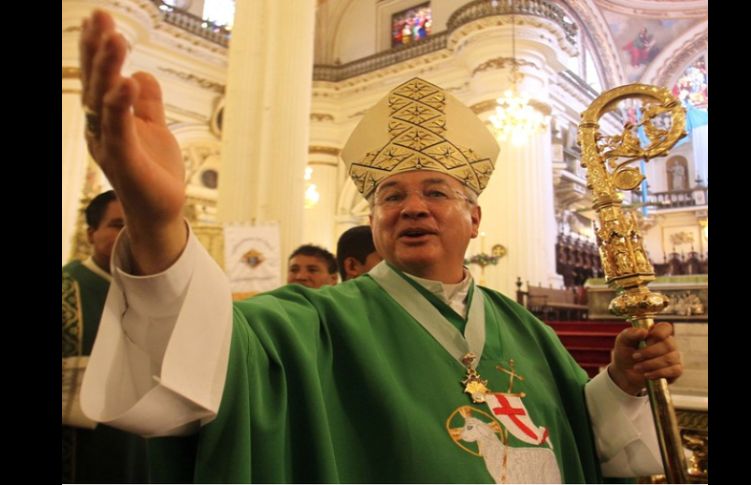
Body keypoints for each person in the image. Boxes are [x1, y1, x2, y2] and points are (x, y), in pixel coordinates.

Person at [79, 10, 682, 483]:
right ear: (374, 221)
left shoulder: (526, 329)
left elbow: (580, 439)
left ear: (474, 219)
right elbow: (199, 366)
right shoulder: (311, 323)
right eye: (391, 196)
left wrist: (621, 384)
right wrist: (157, 225)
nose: (412, 206)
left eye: (436, 192)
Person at [62, 190, 148, 483]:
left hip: (141, 446)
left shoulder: (154, 293)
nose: (129, 234)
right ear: (90, 234)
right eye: (117, 225)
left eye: (137, 224)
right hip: (80, 450)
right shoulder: (66, 289)